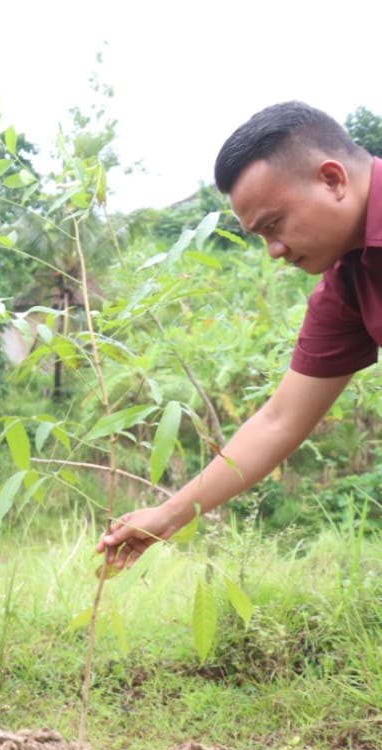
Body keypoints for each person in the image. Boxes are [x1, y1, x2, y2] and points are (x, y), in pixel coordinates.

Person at [98, 102, 380, 570]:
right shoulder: (349, 283)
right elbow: (280, 421)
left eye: (274, 225)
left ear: (333, 180)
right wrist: (168, 516)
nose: (274, 251)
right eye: (260, 235)